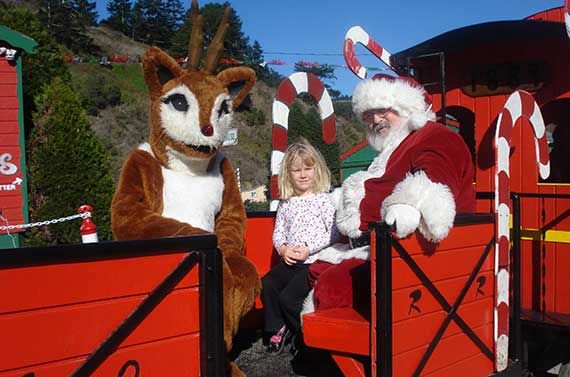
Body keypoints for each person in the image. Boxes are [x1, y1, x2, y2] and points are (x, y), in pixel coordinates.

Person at [305, 73, 476, 313]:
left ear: (408, 108)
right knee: (311, 269)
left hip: (414, 253)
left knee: (332, 286)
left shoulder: (436, 137)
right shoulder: (393, 148)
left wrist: (407, 206)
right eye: (368, 115)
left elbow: (436, 186)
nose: (375, 120)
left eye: (383, 110)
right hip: (380, 247)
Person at [261, 138, 340, 353]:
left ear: (317, 170)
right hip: (292, 260)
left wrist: (309, 248)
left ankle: (304, 336)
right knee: (267, 283)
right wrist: (283, 249)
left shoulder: (324, 200)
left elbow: (333, 233)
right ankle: (277, 328)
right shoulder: (286, 203)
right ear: (289, 174)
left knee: (288, 299)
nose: (303, 174)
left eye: (308, 168)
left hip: (314, 263)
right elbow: (278, 233)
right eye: (296, 170)